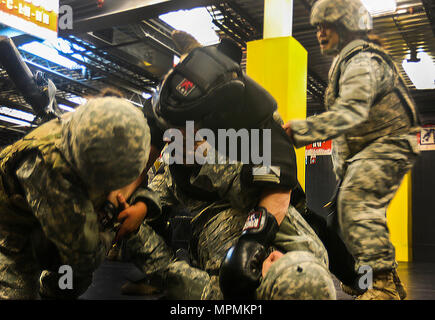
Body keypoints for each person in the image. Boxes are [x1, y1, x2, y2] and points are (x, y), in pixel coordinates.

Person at [119, 31, 337, 300]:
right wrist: (253, 241)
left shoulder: (222, 289)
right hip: (244, 185)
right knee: (267, 189)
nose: (278, 257)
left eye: (275, 265)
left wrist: (135, 217)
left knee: (134, 200)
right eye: (285, 260)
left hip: (202, 202)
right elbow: (275, 182)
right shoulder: (310, 262)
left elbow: (169, 275)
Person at [283, 0, 421, 300]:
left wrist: (302, 130)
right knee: (346, 217)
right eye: (317, 27)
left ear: (347, 25)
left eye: (327, 26)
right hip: (371, 149)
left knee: (356, 206)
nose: (320, 33)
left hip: (386, 145)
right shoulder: (346, 62)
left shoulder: (361, 62)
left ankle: (380, 285)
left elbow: (352, 113)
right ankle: (386, 281)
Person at [0, 97, 152, 299]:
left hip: (59, 222)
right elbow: (85, 256)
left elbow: (135, 180)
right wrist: (109, 220)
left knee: (72, 280)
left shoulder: (102, 134)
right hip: (12, 227)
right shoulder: (48, 168)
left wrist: (142, 205)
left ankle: (51, 292)